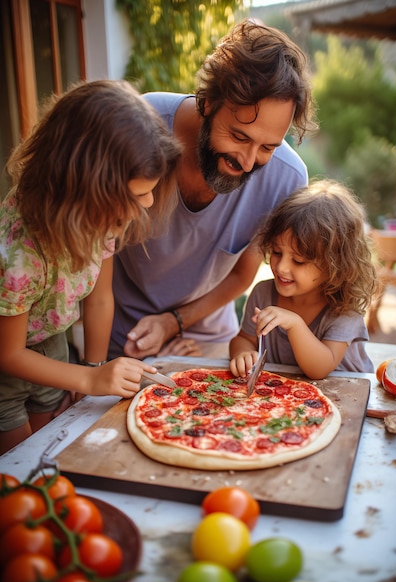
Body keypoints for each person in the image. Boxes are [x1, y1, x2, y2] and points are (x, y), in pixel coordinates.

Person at [109, 18, 318, 362]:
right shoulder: (141, 126)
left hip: (208, 340)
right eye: (239, 137)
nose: (250, 162)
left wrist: (173, 323)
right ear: (207, 102)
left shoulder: (288, 178)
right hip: (123, 336)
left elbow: (242, 274)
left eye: (268, 147)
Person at [0, 79, 182, 454]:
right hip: (6, 366)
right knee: (22, 468)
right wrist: (89, 379)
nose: (147, 204)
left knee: (51, 451)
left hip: (52, 347)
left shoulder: (98, 218)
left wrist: (94, 366)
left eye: (151, 189)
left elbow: (99, 300)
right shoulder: (18, 257)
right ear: (87, 187)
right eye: (137, 194)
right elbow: (9, 353)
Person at [229, 179, 380, 380]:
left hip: (346, 396)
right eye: (276, 251)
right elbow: (244, 339)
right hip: (286, 401)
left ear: (333, 266)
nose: (281, 267)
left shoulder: (344, 309)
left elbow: (319, 369)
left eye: (298, 261)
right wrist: (243, 353)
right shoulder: (263, 294)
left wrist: (295, 324)